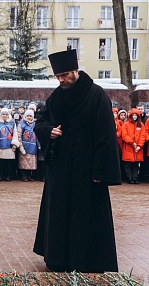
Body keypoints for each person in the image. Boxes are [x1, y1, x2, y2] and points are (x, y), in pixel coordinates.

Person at [33, 49, 121, 273]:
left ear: (75, 70)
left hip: (86, 169)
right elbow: (41, 120)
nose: (61, 80)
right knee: (60, 213)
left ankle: (85, 260)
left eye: (64, 75)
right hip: (61, 168)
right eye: (58, 76)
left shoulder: (96, 95)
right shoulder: (56, 96)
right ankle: (57, 259)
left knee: (84, 215)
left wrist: (101, 171)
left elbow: (106, 135)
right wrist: (49, 131)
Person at [121, 108, 146, 184]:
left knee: (136, 165)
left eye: (136, 115)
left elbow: (143, 136)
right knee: (128, 165)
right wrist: (132, 142)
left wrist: (139, 145)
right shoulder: (125, 125)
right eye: (133, 115)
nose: (134, 117)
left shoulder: (141, 125)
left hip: (137, 148)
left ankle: (135, 178)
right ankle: (129, 178)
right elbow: (124, 135)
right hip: (128, 147)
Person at [17, 109, 37, 181]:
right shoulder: (21, 124)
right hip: (24, 146)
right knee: (24, 162)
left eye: (30, 116)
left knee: (31, 163)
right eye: (27, 116)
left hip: (33, 146)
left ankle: (29, 176)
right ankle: (24, 176)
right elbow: (19, 135)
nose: (29, 117)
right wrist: (21, 147)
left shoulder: (35, 124)